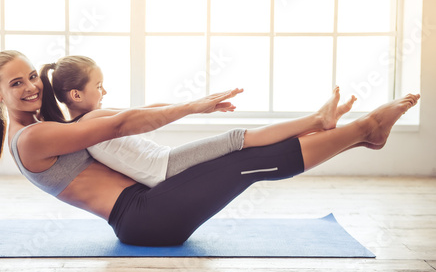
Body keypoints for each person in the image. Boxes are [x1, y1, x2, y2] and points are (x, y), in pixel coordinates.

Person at [0, 50, 420, 247]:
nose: (31, 86)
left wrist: (187, 108)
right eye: (16, 83)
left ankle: (363, 133)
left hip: (147, 210)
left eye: (32, 76)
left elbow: (128, 111)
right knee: (248, 159)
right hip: (145, 218)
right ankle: (366, 128)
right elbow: (121, 122)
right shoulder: (33, 138)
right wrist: (194, 106)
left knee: (242, 156)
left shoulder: (47, 127)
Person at [38, 55, 357, 187]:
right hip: (161, 169)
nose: (104, 90)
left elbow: (146, 110)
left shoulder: (92, 118)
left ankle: (319, 123)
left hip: (162, 163)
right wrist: (194, 107)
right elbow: (144, 119)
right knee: (236, 138)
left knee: (238, 141)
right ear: (76, 95)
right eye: (98, 86)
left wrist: (198, 104)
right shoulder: (87, 124)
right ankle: (318, 119)